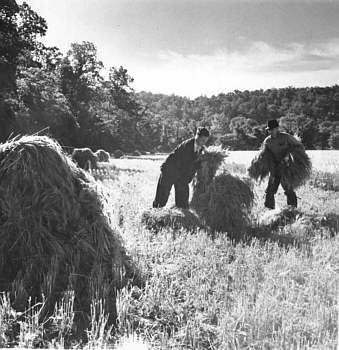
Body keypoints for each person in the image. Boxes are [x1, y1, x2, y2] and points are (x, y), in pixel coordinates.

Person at [153, 127, 210, 209]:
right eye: (202, 140)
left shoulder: (201, 149)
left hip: (182, 175)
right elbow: (188, 164)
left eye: (205, 141)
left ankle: (182, 216)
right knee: (161, 199)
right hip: (169, 171)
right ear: (196, 136)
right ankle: (154, 215)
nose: (203, 143)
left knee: (183, 202)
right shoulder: (187, 145)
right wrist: (199, 164)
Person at [262, 119, 304, 209]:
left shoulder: (286, 137)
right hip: (274, 168)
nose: (271, 131)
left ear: (277, 128)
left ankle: (292, 209)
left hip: (286, 167)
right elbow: (266, 154)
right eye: (269, 130)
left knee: (288, 189)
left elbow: (298, 146)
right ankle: (269, 209)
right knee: (270, 190)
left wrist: (289, 155)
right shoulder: (267, 141)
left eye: (273, 129)